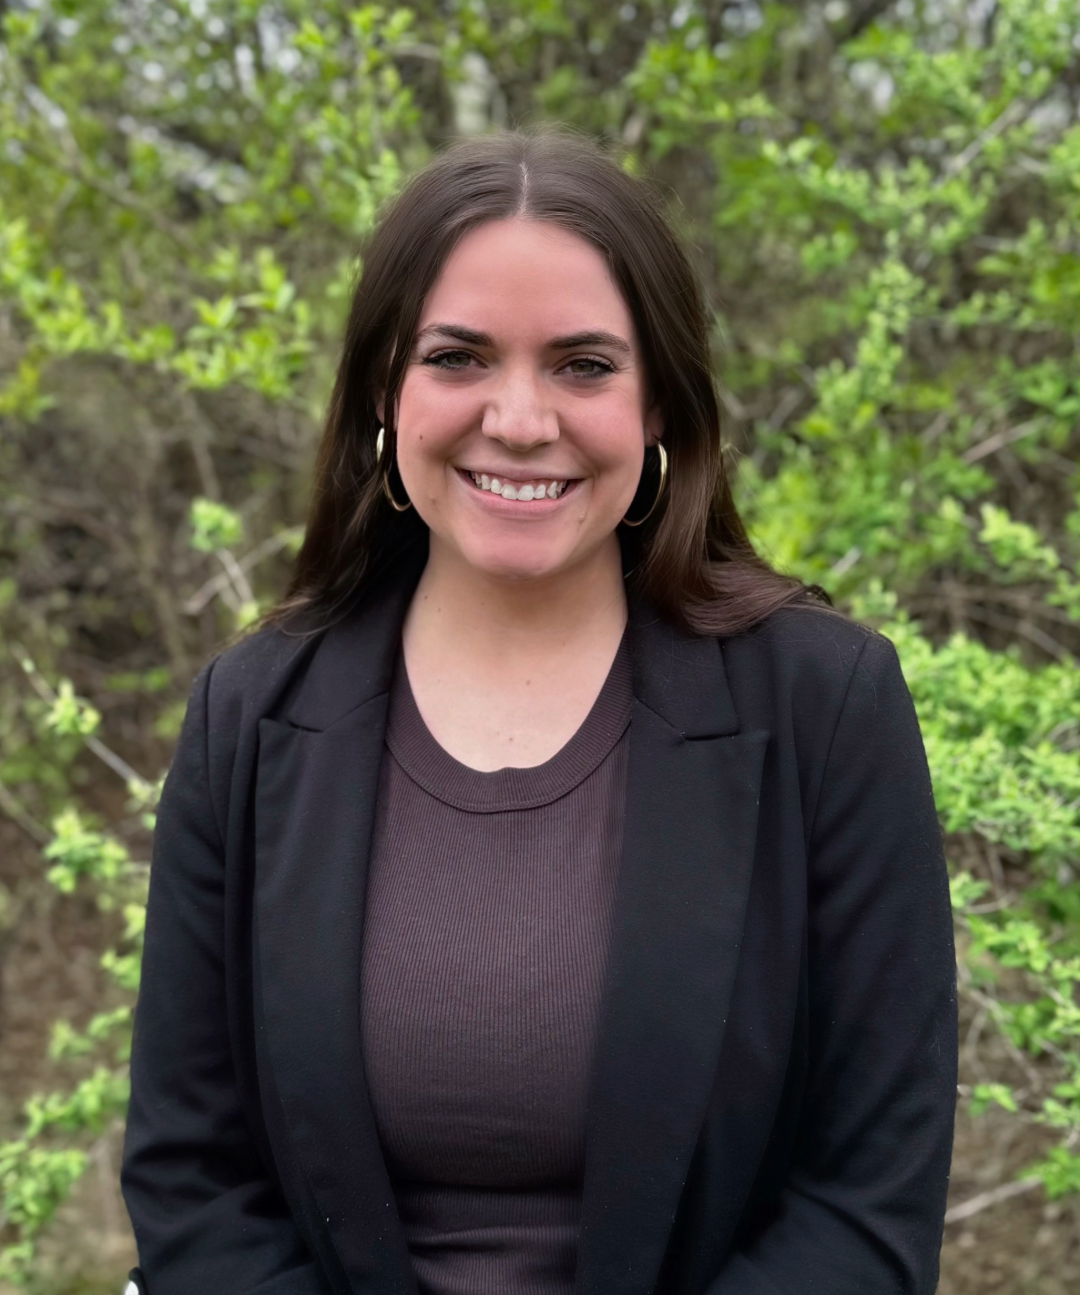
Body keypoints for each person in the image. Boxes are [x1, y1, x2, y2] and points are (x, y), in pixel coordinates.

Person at [120, 129, 957, 1295]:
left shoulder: (827, 707)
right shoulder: (249, 718)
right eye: (458, 358)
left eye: (582, 365)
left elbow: (868, 1203)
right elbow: (192, 1185)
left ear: (660, 399)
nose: (519, 419)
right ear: (382, 389)